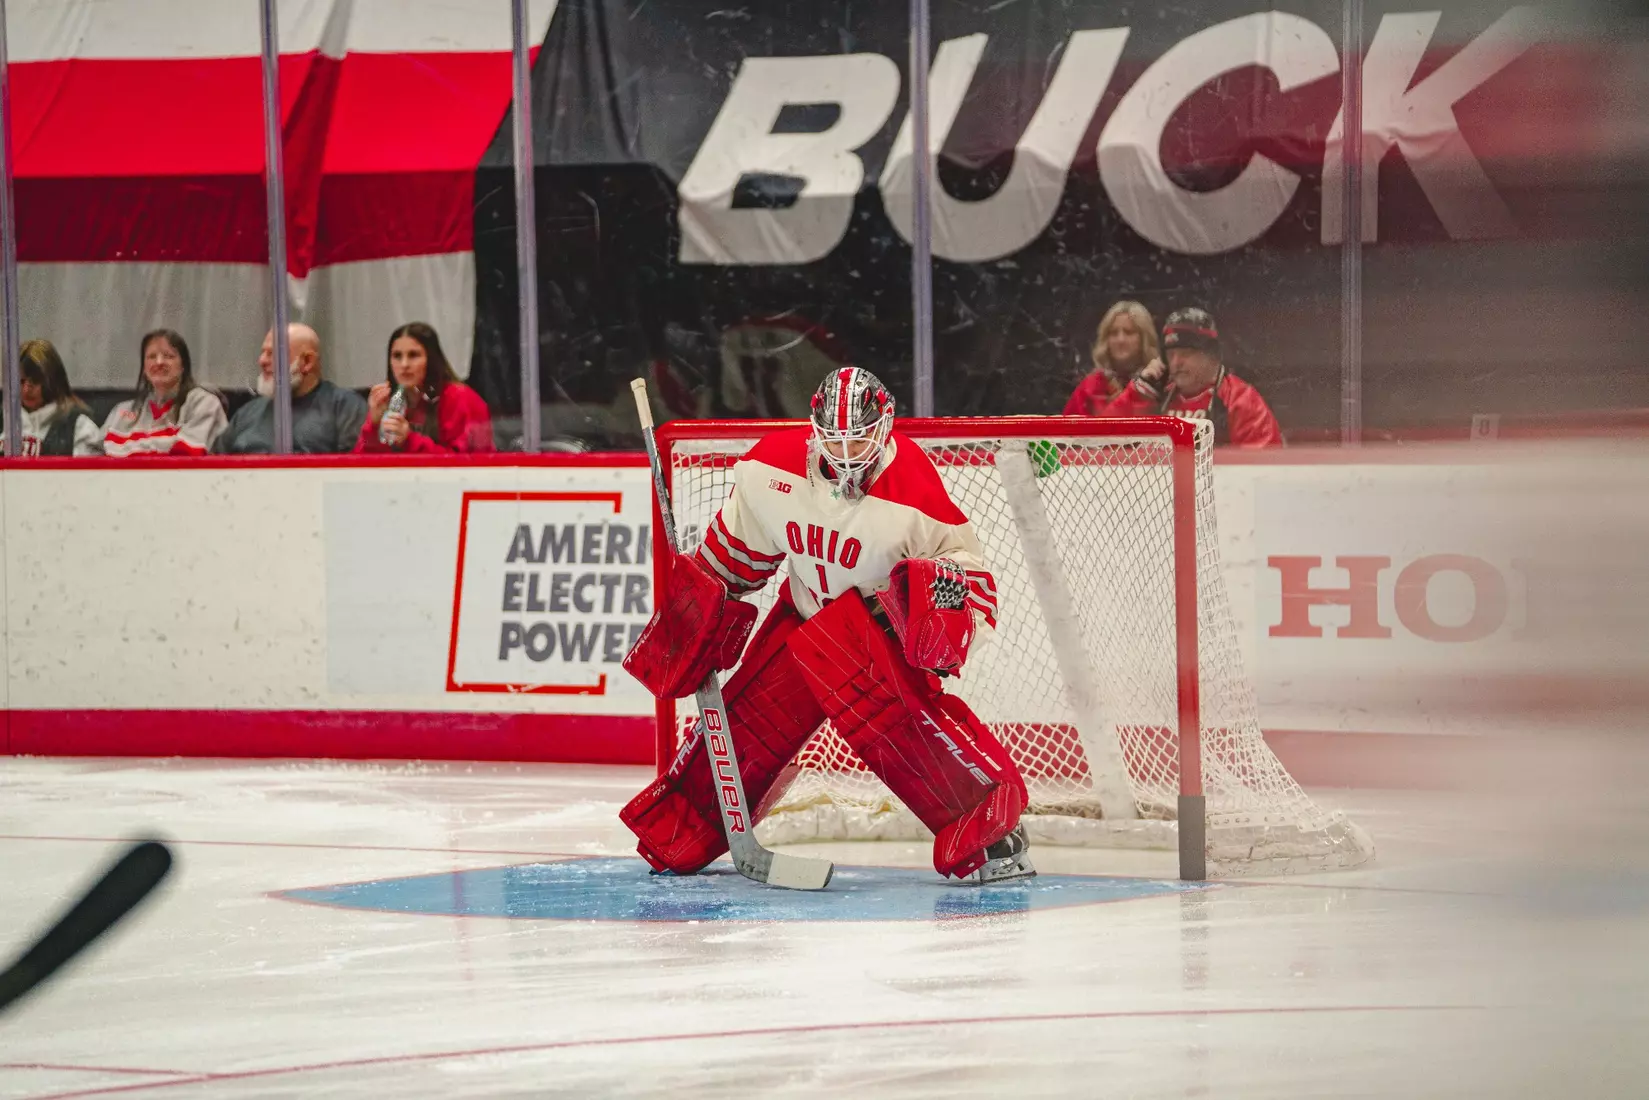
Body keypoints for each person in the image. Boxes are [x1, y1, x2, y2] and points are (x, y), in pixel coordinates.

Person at [620, 368, 1034, 885]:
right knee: (748, 725)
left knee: (902, 730)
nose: (845, 453)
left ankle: (989, 833)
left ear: (883, 429)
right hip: (802, 613)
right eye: (834, 439)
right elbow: (732, 561)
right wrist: (697, 614)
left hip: (872, 636)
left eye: (858, 438)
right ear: (814, 428)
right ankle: (681, 827)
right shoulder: (770, 470)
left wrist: (939, 616)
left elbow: (970, 582)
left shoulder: (914, 497)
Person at [1103, 307, 1282, 447]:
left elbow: (1262, 469)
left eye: (1186, 353)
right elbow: (1103, 442)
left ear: (1211, 355)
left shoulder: (1240, 400)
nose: (1176, 362)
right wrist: (1137, 395)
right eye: (1171, 354)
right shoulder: (1155, 394)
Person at [214, 324, 367, 454]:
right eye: (263, 353)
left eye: (273, 354)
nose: (262, 361)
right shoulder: (247, 413)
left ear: (307, 362)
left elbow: (354, 472)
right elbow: (212, 465)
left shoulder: (345, 408)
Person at [355, 322, 493, 454]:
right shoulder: (389, 400)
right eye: (397, 356)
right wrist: (373, 426)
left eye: (413, 355)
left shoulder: (461, 398)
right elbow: (359, 468)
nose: (404, 364)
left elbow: (466, 466)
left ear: (431, 359)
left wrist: (409, 440)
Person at [102, 329, 228, 457]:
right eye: (151, 356)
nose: (159, 362)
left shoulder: (204, 403)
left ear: (183, 366)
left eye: (168, 356)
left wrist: (119, 452)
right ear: (144, 368)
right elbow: (91, 452)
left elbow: (187, 451)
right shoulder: (121, 411)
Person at [4, 339, 102, 457]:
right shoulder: (4, 423)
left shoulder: (80, 428)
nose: (26, 390)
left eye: (35, 381)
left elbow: (90, 475)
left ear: (54, 382)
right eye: (21, 381)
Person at [1063, 300, 1162, 416]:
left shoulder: (1161, 384)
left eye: (1129, 332)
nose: (1120, 340)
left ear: (1144, 338)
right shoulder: (1089, 388)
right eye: (1114, 333)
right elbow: (1066, 432)